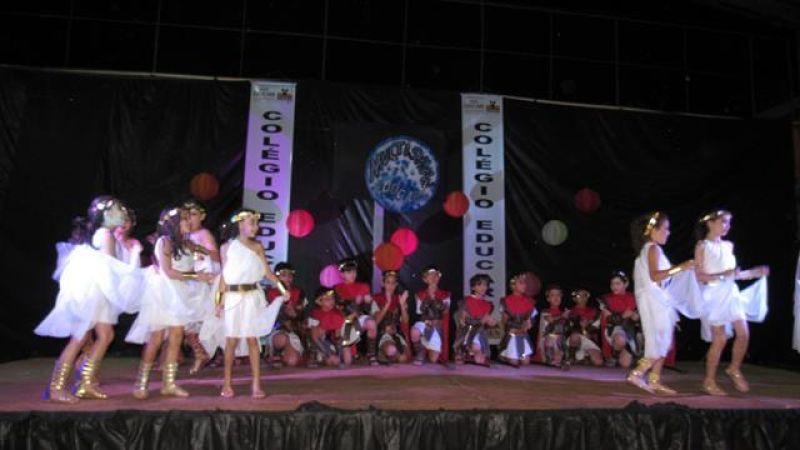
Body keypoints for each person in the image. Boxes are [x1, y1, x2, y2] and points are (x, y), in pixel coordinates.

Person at [35, 196, 142, 403]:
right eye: (118, 210)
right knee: (81, 337)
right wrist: (134, 257)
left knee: (105, 334)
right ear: (106, 214)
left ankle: (85, 383)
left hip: (96, 292)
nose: (123, 213)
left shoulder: (108, 234)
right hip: (91, 293)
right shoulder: (105, 234)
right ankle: (56, 388)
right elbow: (112, 270)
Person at [125, 207, 214, 399]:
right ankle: (141, 383)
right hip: (163, 292)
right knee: (157, 338)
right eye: (184, 219)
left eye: (189, 218)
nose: (189, 222)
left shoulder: (187, 243)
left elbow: (204, 257)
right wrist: (196, 276)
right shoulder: (164, 242)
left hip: (180, 292)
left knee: (177, 336)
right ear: (173, 223)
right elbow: (168, 272)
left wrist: (204, 264)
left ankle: (169, 384)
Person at [694, 209, 769, 395]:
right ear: (710, 223)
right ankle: (709, 381)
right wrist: (722, 275)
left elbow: (733, 275)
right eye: (723, 222)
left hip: (731, 293)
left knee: (743, 333)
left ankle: (734, 368)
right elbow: (700, 276)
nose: (727, 226)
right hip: (714, 295)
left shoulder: (728, 246)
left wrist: (753, 273)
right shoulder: (703, 246)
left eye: (729, 222)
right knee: (719, 339)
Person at [214, 209, 286, 398]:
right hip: (233, 298)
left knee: (252, 340)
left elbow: (268, 273)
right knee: (231, 341)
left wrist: (282, 289)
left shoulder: (257, 247)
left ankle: (256, 385)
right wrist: (218, 302)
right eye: (251, 223)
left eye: (256, 223)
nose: (256, 227)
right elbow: (224, 277)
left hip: (252, 298)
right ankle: (227, 383)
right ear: (240, 224)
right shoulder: (227, 247)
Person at [628, 211, 697, 395]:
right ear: (653, 230)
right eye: (665, 228)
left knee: (663, 340)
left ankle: (654, 379)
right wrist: (681, 267)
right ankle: (637, 373)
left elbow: (659, 276)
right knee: (659, 341)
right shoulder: (653, 249)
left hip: (654, 299)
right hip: (654, 300)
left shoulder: (647, 251)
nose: (668, 232)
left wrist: (681, 269)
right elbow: (655, 276)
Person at [599, 271, 642, 368]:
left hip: (631, 332)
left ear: (626, 284)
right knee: (621, 338)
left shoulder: (635, 297)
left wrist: (636, 317)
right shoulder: (606, 299)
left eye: (618, 283)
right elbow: (610, 320)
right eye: (612, 284)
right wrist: (624, 316)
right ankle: (613, 357)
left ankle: (630, 353)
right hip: (613, 331)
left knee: (625, 364)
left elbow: (639, 317)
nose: (614, 286)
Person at [410, 265, 451, 365]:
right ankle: (420, 351)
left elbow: (445, 312)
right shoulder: (420, 294)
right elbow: (419, 312)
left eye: (435, 275)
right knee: (415, 331)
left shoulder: (445, 295)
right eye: (430, 275)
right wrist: (428, 298)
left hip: (437, 327)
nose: (433, 278)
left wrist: (434, 298)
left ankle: (428, 346)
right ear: (425, 279)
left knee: (433, 360)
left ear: (439, 278)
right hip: (425, 324)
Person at [454, 274, 496, 366]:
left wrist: (490, 322)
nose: (483, 287)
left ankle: (470, 354)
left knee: (480, 360)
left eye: (485, 285)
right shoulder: (466, 301)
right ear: (473, 287)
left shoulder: (488, 305)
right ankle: (464, 350)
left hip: (479, 333)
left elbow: (485, 324)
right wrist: (481, 320)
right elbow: (463, 321)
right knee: (477, 358)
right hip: (467, 333)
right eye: (479, 284)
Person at [371, 270, 411, 364]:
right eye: (388, 282)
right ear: (383, 283)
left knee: (405, 358)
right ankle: (384, 352)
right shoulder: (376, 298)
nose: (390, 286)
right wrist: (387, 304)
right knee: (391, 351)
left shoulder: (399, 298)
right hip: (383, 335)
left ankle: (388, 356)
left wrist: (402, 306)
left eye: (393, 283)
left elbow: (405, 321)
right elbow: (376, 321)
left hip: (397, 335)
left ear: (396, 284)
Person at [499, 273, 537, 367]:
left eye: (525, 283)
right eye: (521, 283)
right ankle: (504, 353)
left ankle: (515, 354)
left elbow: (531, 319)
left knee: (525, 362)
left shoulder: (530, 301)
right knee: (514, 362)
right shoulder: (505, 301)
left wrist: (529, 323)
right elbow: (504, 321)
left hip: (523, 335)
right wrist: (511, 330)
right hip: (512, 335)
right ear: (513, 285)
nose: (524, 285)